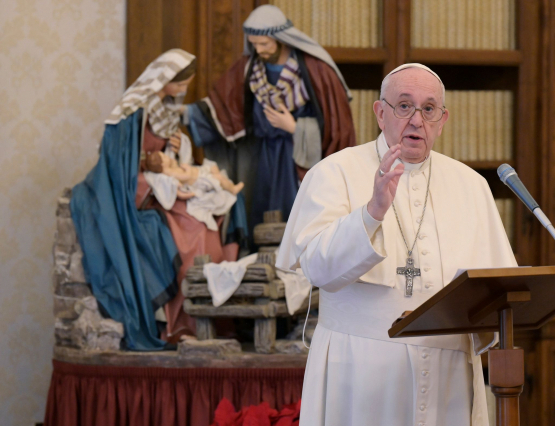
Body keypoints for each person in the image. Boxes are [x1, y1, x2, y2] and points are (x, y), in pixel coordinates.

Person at [276, 64, 518, 426]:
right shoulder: (333, 172)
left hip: (448, 378)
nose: (416, 120)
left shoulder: (472, 186)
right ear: (380, 112)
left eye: (429, 108)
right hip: (358, 375)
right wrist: (372, 213)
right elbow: (316, 269)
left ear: (442, 119)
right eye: (404, 106)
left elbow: (498, 288)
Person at [71, 49, 241, 349]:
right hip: (137, 191)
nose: (186, 90)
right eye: (182, 83)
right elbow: (121, 169)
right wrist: (158, 182)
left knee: (218, 211)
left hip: (166, 184)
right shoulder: (132, 113)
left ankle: (213, 317)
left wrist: (179, 147)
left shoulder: (164, 108)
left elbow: (168, 158)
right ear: (166, 80)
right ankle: (178, 324)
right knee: (192, 230)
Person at [186, 5, 355, 244]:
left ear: (281, 40)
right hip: (263, 154)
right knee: (262, 208)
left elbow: (336, 125)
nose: (259, 50)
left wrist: (294, 127)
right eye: (254, 44)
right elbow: (222, 105)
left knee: (296, 211)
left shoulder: (315, 70)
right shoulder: (251, 68)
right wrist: (187, 114)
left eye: (265, 44)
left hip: (298, 156)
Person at [143, 150, 244, 232]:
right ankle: (232, 189)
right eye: (164, 157)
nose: (166, 156)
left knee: (213, 167)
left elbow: (177, 166)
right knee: (218, 178)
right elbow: (186, 176)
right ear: (162, 164)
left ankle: (223, 183)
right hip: (200, 181)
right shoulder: (169, 172)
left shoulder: (170, 168)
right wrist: (188, 169)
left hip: (200, 173)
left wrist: (174, 163)